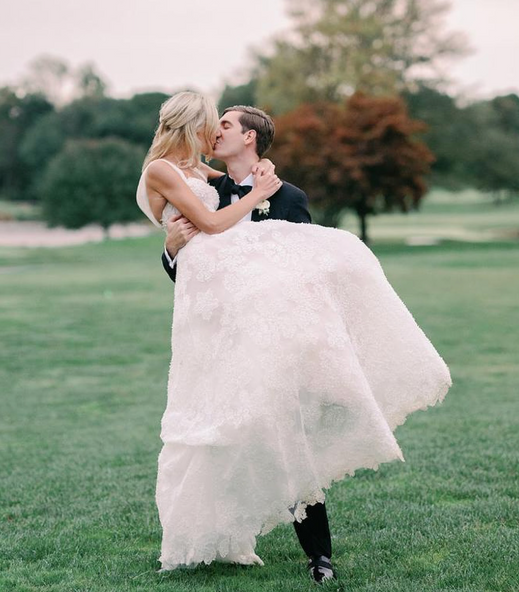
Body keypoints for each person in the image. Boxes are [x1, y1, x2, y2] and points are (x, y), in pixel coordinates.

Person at [135, 91, 452, 582]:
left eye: (226, 124)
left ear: (250, 137)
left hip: (279, 343)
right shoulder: (203, 181)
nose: (216, 131)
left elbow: (306, 270)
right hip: (223, 340)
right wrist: (172, 250)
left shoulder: (286, 196)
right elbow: (197, 263)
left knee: (290, 437)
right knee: (226, 434)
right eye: (213, 122)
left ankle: (319, 556)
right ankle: (220, 531)